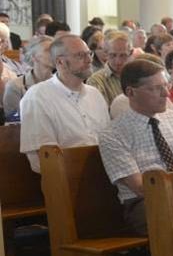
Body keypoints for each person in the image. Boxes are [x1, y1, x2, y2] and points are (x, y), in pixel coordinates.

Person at [99, 59, 173, 235]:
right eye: (155, 88)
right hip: (144, 203)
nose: (166, 94)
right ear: (131, 92)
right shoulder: (113, 134)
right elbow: (139, 187)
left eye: (166, 85)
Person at [19, 34, 110, 172]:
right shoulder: (37, 97)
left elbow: (108, 140)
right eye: (80, 56)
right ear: (60, 62)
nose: (88, 60)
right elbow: (42, 159)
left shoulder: (94, 94)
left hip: (104, 173)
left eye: (89, 54)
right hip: (64, 179)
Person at [3, 35, 53, 120]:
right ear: (34, 56)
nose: (54, 54)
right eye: (48, 50)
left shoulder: (62, 84)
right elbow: (13, 122)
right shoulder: (15, 87)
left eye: (55, 50)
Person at [86, 32, 132, 106]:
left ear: (130, 53)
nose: (118, 61)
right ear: (106, 53)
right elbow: (101, 113)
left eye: (123, 55)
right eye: (113, 55)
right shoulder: (96, 81)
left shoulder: (137, 76)